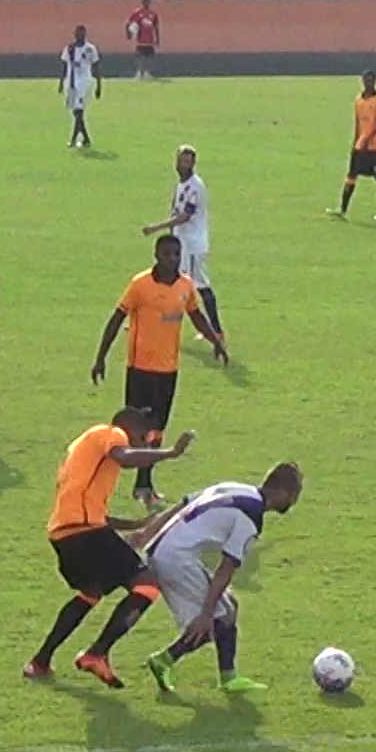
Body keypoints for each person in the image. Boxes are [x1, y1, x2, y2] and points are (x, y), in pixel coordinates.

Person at [25, 408, 197, 686]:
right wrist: (169, 453)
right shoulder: (111, 433)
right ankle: (97, 653)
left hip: (66, 534)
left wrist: (134, 525)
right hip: (85, 532)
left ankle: (40, 661)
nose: (142, 446)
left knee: (90, 593)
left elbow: (90, 510)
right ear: (130, 428)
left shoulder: (84, 451)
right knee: (147, 586)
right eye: (143, 438)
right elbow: (125, 457)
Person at [136, 463, 304, 694]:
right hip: (175, 558)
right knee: (218, 619)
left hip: (164, 547)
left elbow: (183, 504)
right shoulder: (251, 517)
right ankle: (169, 661)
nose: (293, 503)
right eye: (295, 496)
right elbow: (226, 568)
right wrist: (206, 614)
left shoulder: (236, 488)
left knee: (228, 606)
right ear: (286, 492)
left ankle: (226, 675)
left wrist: (148, 533)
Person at [91, 235, 228, 509]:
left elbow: (195, 315)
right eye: (166, 254)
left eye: (176, 254)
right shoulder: (140, 285)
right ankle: (119, 478)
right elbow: (117, 318)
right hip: (140, 369)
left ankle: (145, 482)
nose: (172, 259)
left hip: (168, 370)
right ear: (157, 255)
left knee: (158, 429)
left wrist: (216, 341)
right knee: (135, 429)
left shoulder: (185, 285)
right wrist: (101, 357)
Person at [140, 144, 222, 338]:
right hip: (182, 243)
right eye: (180, 160)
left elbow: (185, 216)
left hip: (193, 245)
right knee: (169, 278)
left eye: (187, 161)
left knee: (198, 285)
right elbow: (175, 212)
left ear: (193, 163)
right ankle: (157, 318)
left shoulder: (195, 186)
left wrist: (155, 228)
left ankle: (216, 331)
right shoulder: (181, 184)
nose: (183, 164)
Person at [331, 71, 376, 221]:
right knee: (351, 176)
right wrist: (356, 142)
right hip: (360, 147)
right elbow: (358, 123)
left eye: (371, 80)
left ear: (375, 81)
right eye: (366, 80)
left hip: (375, 147)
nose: (369, 83)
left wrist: (366, 140)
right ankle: (342, 209)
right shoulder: (359, 100)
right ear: (362, 81)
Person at [59, 24, 102, 148]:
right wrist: (61, 83)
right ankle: (86, 139)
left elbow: (96, 67)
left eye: (82, 33)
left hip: (84, 82)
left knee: (79, 111)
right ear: (74, 34)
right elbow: (64, 66)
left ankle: (73, 139)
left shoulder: (90, 49)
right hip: (71, 82)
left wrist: (99, 85)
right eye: (78, 33)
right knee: (75, 112)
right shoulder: (69, 48)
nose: (80, 35)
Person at [126, 0, 160, 79]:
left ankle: (147, 73)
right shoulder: (137, 12)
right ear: (141, 2)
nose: (146, 3)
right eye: (144, 1)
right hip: (140, 39)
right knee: (140, 57)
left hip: (150, 39)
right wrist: (128, 33)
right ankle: (139, 72)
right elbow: (128, 23)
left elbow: (156, 27)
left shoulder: (153, 14)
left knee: (150, 57)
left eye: (148, 1)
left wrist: (158, 39)